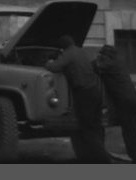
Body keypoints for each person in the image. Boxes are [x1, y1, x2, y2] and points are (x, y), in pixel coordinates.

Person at [45, 34, 110, 163]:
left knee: (87, 128)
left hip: (84, 93)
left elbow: (54, 67)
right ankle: (96, 157)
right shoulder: (81, 51)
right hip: (95, 91)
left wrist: (48, 62)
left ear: (62, 48)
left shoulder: (68, 54)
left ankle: (103, 159)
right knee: (97, 126)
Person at [94, 44, 136, 163]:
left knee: (130, 132)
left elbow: (96, 67)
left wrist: (97, 58)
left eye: (101, 54)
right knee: (132, 131)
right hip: (133, 100)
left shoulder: (108, 64)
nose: (100, 56)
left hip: (125, 102)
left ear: (106, 56)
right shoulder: (117, 64)